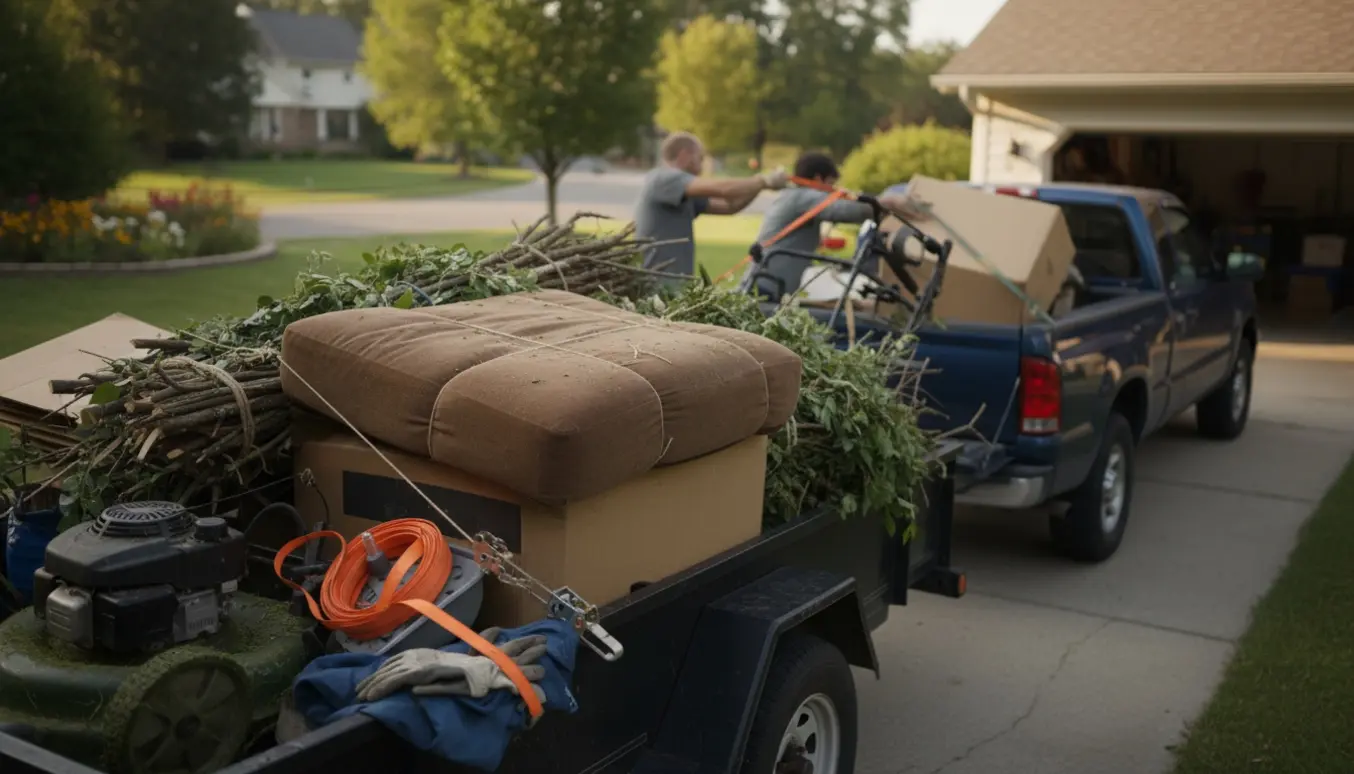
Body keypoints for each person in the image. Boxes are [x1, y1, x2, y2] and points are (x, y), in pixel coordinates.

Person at [747, 152, 929, 299]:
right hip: (765, 289)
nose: (834, 190)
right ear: (818, 178)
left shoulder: (792, 197)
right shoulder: (803, 197)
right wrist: (887, 203)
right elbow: (845, 210)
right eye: (831, 183)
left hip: (768, 285)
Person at [635, 132, 788, 279]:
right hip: (656, 283)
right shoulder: (664, 178)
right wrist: (763, 181)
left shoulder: (682, 190)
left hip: (674, 281)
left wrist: (759, 185)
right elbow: (724, 190)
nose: (702, 165)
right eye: (700, 158)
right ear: (685, 155)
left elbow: (730, 206)